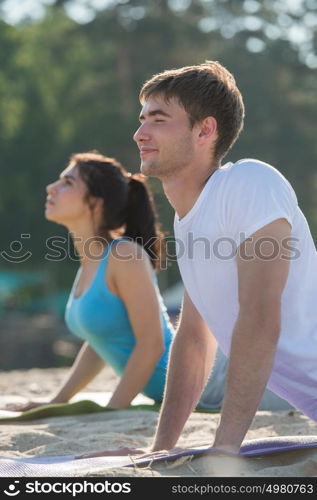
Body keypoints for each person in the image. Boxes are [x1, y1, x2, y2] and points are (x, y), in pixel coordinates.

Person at [132, 60, 317, 455]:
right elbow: (195, 339)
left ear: (205, 130)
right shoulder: (188, 223)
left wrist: (226, 447)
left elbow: (260, 316)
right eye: (142, 119)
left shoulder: (250, 182)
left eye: (158, 120)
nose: (140, 133)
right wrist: (161, 450)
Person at [7, 151, 175, 411]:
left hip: (207, 389)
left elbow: (152, 344)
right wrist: (55, 402)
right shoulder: (92, 262)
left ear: (96, 202)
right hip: (167, 394)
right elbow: (100, 339)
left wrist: (113, 410)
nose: (51, 188)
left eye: (68, 183)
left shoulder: (125, 254)